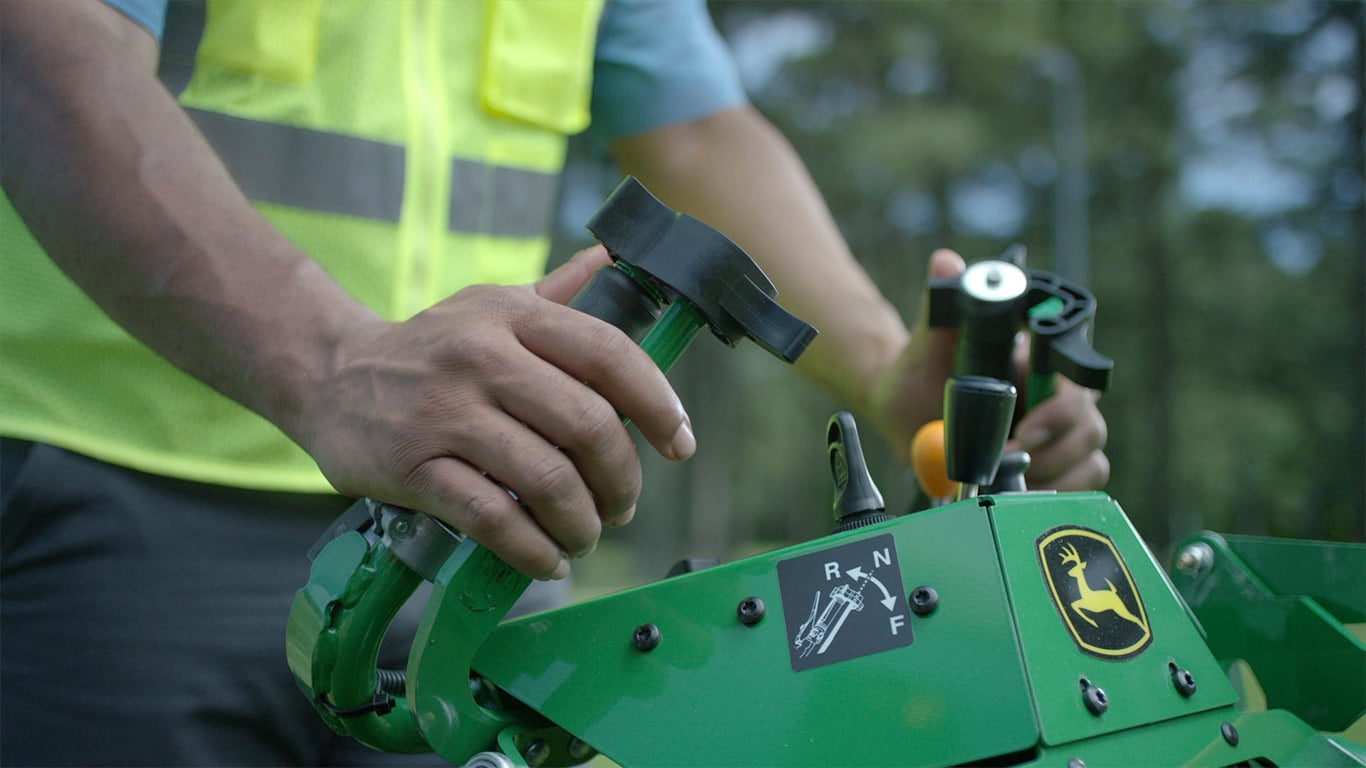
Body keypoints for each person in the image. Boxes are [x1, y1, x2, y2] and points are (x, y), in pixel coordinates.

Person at [0, 0, 1108, 765]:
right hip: (118, 498)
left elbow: (695, 128)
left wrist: (881, 369)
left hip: (486, 515)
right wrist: (328, 361)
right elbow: (47, 53)